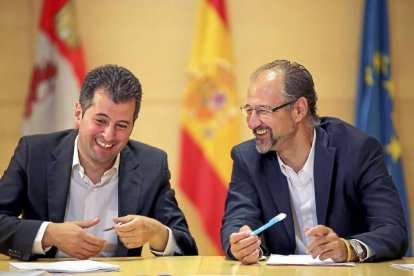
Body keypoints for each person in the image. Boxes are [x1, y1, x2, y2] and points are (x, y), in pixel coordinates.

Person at [0, 64, 198, 261]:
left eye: (121, 125)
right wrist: (49, 234)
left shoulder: (152, 165)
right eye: (100, 121)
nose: (109, 135)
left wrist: (157, 233)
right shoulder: (34, 154)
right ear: (79, 113)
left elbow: (188, 249)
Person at [221, 59, 408, 264]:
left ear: (299, 110)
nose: (252, 122)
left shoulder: (357, 151)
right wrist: (241, 243)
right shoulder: (247, 158)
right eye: (249, 110)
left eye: (263, 111)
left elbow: (392, 230)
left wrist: (348, 248)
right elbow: (237, 220)